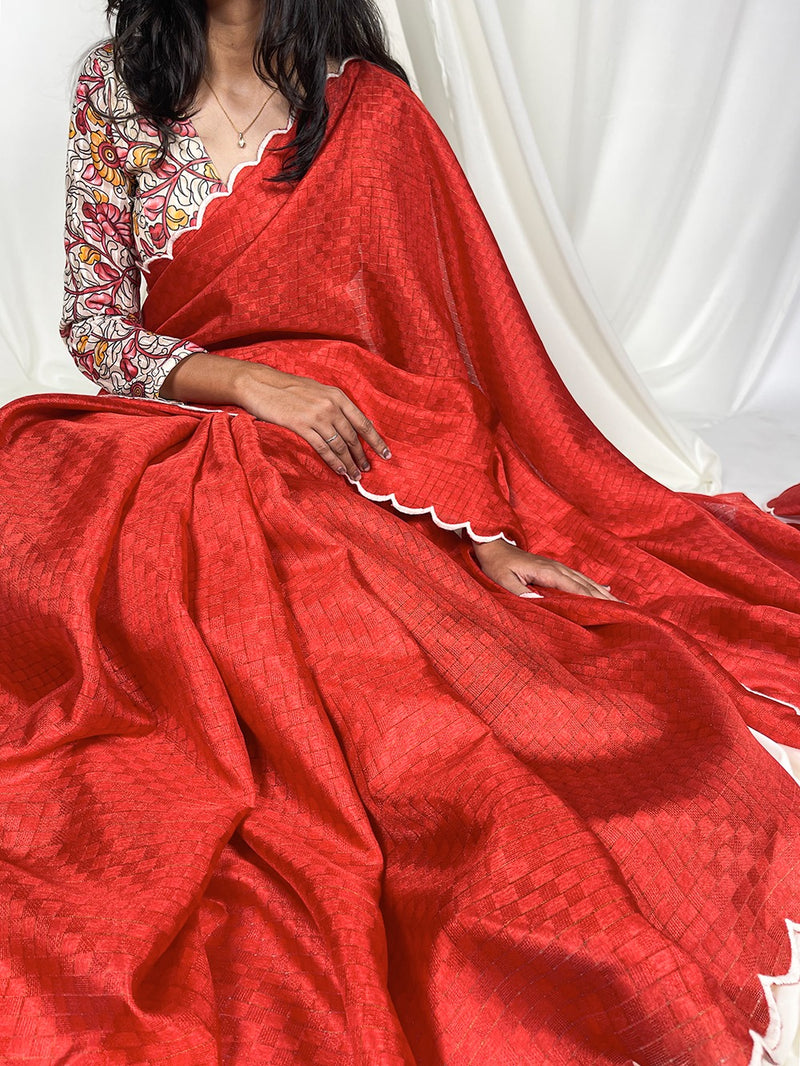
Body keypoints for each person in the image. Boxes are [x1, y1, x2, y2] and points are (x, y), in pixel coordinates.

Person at [0, 0, 798, 1062]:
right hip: (176, 430)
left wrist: (483, 530)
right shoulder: (117, 87)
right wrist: (242, 381)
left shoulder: (368, 115)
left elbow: (435, 348)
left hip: (334, 448)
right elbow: (95, 323)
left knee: (332, 629)